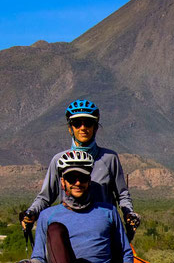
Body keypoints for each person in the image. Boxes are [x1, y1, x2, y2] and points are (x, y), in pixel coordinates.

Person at [21, 99, 140, 238]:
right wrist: (31, 213)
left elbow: (122, 195)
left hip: (104, 232)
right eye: (77, 123)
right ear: (70, 128)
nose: (83, 128)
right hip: (71, 230)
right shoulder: (59, 160)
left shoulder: (109, 158)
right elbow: (45, 197)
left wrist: (128, 213)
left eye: (88, 123)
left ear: (95, 127)